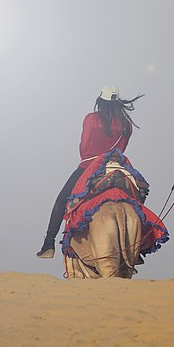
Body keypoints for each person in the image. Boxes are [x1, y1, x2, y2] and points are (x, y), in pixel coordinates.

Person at [36, 87, 143, 258]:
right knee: (137, 196)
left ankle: (49, 244)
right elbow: (122, 148)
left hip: (89, 166)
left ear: (100, 101)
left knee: (61, 200)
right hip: (116, 167)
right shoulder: (126, 125)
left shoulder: (91, 119)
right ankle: (137, 249)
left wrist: (90, 157)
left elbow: (84, 146)